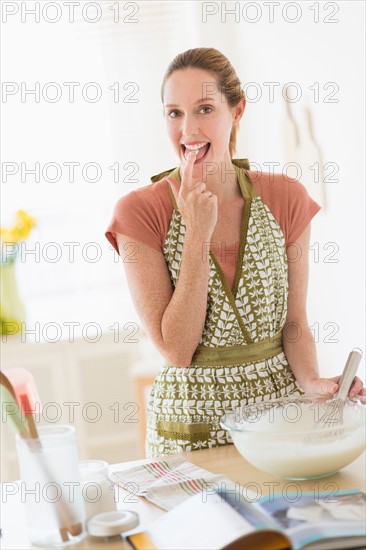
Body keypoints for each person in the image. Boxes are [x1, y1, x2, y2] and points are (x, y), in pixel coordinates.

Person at [105, 47, 365, 458]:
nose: (187, 129)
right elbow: (176, 348)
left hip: (278, 425)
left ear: (237, 111)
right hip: (188, 432)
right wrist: (196, 233)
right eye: (174, 113)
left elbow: (294, 324)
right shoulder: (140, 212)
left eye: (204, 108)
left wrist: (314, 383)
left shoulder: (286, 198)